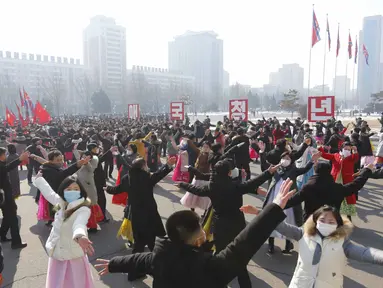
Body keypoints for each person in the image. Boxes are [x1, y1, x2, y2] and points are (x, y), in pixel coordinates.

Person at [95, 179, 295, 288]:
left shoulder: (160, 258)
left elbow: (139, 260)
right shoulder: (211, 267)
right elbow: (244, 242)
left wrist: (114, 264)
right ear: (199, 239)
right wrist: (274, 208)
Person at [177, 160, 278, 288]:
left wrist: (182, 184)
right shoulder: (235, 186)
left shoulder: (211, 187)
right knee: (240, 258)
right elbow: (253, 182)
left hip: (220, 225)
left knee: (221, 256)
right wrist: (268, 172)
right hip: (237, 223)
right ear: (229, 173)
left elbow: (196, 190)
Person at [241, 205, 383, 288]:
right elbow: (281, 226)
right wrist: (259, 212)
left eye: (331, 221)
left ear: (338, 224)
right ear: (315, 221)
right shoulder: (303, 234)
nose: (326, 223)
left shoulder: (343, 243)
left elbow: (365, 253)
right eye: (322, 220)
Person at [104, 157, 176, 281]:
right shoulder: (146, 177)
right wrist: (168, 165)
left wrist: (107, 188)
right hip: (149, 215)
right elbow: (158, 175)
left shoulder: (128, 177)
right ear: (143, 167)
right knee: (155, 245)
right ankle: (161, 271)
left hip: (136, 216)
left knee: (139, 245)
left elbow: (117, 190)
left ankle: (133, 272)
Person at [33, 174, 95, 288]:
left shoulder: (83, 209)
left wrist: (80, 236)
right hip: (57, 252)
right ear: (63, 190)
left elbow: (79, 224)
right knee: (56, 283)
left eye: (76, 189)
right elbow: (49, 193)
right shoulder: (60, 202)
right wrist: (39, 179)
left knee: (76, 283)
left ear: (81, 191)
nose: (72, 192)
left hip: (73, 256)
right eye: (69, 189)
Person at [283, 162, 373, 221]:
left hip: (310, 223)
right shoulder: (337, 188)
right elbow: (355, 185)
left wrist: (277, 203)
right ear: (329, 171)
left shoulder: (308, 188)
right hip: (331, 223)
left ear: (315, 171)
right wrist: (366, 171)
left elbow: (291, 201)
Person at [318, 142, 359, 220]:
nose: (346, 150)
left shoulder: (351, 157)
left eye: (348, 149)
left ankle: (348, 217)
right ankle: (334, 216)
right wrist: (320, 148)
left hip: (347, 180)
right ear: (342, 148)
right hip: (335, 180)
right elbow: (324, 155)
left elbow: (356, 158)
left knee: (347, 198)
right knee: (334, 198)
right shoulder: (336, 155)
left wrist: (355, 151)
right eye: (345, 148)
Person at [0, 148, 29, 249]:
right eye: (4, 154)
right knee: (13, 218)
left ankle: (2, 235)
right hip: (4, 196)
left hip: (4, 195)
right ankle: (16, 242)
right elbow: (7, 168)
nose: (5, 155)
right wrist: (19, 159)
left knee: (8, 216)